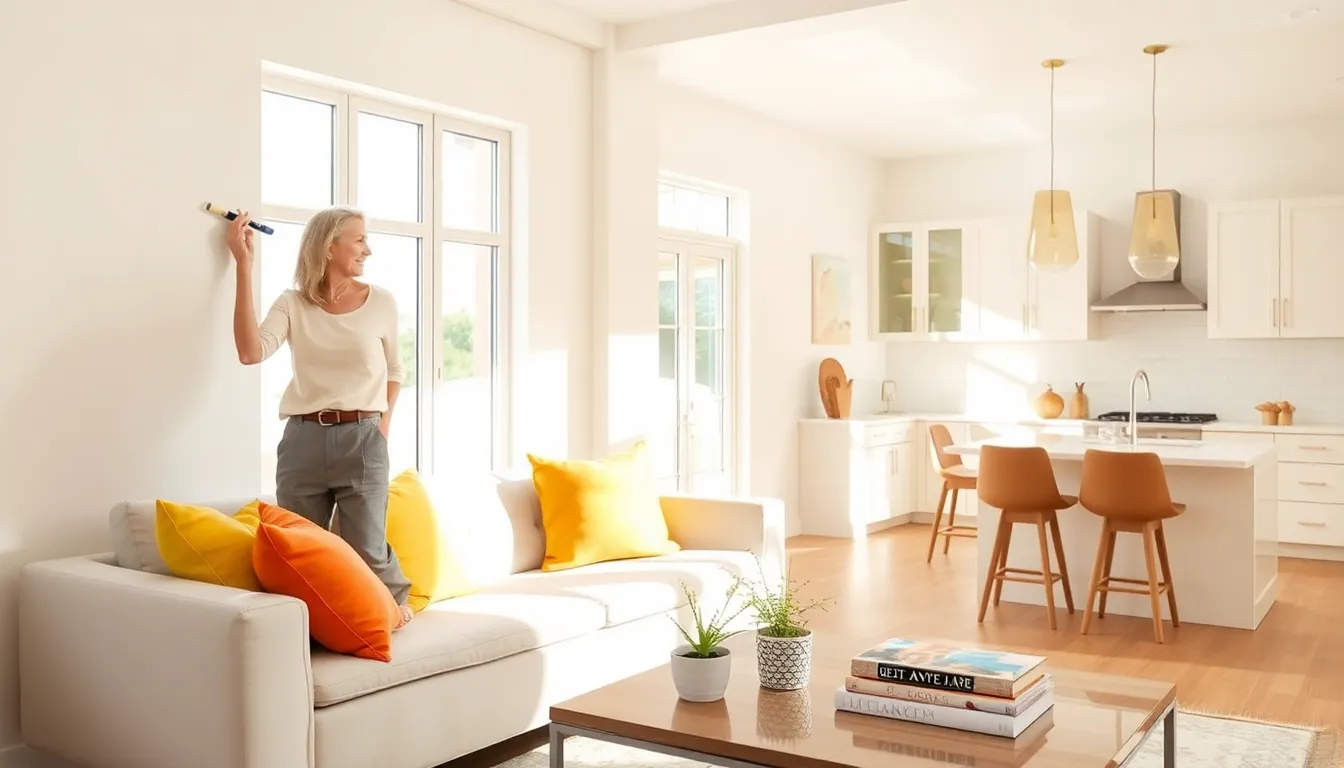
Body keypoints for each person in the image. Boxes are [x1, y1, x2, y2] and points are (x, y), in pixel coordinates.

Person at [226, 206, 413, 628]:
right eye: (360, 239)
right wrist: (243, 265)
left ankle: (393, 603)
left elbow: (395, 371)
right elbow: (250, 351)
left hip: (363, 438)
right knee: (302, 551)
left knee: (366, 548)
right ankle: (314, 626)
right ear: (330, 247)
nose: (369, 248)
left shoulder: (381, 301)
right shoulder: (292, 303)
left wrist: (380, 428)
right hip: (303, 442)